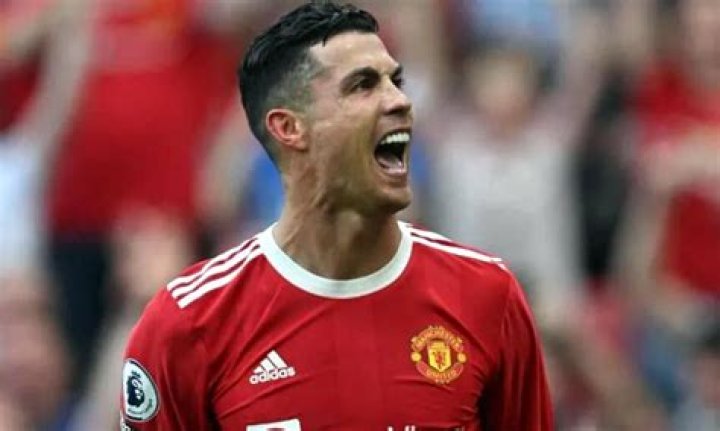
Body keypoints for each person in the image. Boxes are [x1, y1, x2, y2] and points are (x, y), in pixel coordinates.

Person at [121, 2, 554, 430]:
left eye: (396, 81)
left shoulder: (487, 296)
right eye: (363, 86)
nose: (400, 101)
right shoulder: (189, 324)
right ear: (289, 128)